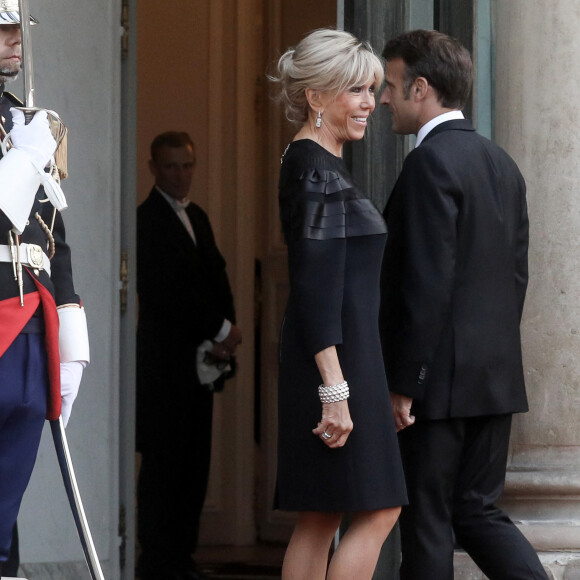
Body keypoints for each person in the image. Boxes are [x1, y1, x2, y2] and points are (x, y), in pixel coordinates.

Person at [379, 29, 548, 580]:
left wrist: (405, 380)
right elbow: (516, 276)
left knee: (428, 519)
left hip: (439, 385)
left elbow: (426, 282)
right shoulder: (502, 163)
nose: (383, 99)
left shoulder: (430, 162)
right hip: (492, 376)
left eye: (390, 86)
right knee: (476, 510)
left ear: (420, 88)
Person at [271, 28, 407, 580]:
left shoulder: (318, 163)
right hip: (336, 367)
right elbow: (314, 284)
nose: (371, 103)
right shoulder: (312, 169)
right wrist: (335, 389)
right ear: (316, 96)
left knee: (324, 513)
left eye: (372, 90)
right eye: (356, 91)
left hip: (345, 362)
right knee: (377, 507)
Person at [0, 3, 89, 577]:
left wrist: (72, 326)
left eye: (18, 29)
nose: (16, 42)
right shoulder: (27, 137)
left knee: (9, 491)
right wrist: (23, 161)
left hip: (32, 314)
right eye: (3, 30)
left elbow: (53, 235)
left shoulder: (24, 120)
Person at [136, 131, 242, 580]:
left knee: (195, 463)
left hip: (202, 363)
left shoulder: (197, 215)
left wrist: (228, 333)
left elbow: (214, 275)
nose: (180, 175)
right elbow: (165, 291)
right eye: (171, 166)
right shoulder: (146, 219)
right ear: (154, 169)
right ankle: (158, 558)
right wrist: (221, 330)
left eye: (187, 165)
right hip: (165, 365)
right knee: (165, 464)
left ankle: (182, 556)